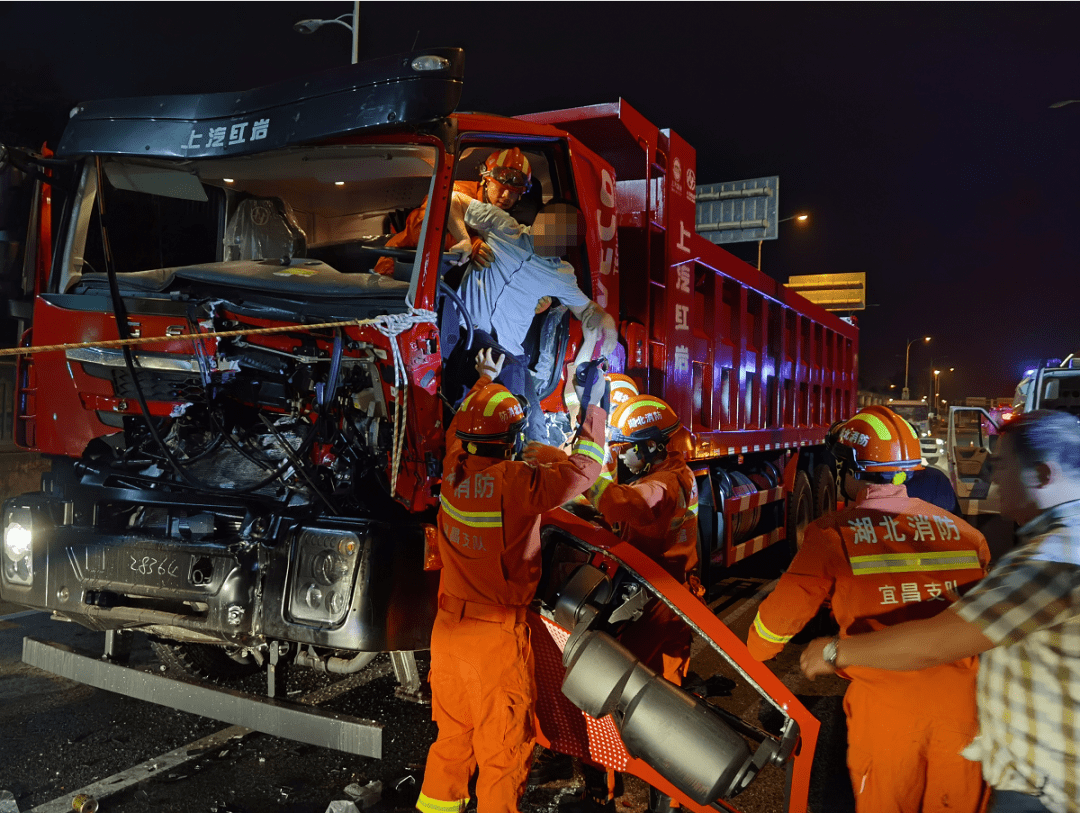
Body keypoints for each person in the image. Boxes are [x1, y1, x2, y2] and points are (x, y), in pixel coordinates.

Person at [801, 410, 1080, 813]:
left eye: (1001, 465)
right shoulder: (976, 535)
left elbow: (938, 641)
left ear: (1040, 474)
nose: (993, 477)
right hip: (976, 734)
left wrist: (833, 652)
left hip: (1045, 789)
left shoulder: (1053, 562)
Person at [747, 406, 992, 813]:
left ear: (851, 470)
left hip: (886, 715)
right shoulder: (968, 536)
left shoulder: (832, 535)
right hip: (966, 714)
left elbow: (775, 625)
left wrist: (751, 661)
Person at [416, 348, 608, 813]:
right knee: (504, 754)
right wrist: (595, 406)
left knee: (451, 741)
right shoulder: (517, 484)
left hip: (448, 634)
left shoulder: (451, 471)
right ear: (510, 443)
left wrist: (484, 380)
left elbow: (465, 430)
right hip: (494, 641)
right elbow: (585, 469)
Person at [560, 394, 701, 813]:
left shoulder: (663, 483)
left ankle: (605, 791)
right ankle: (668, 797)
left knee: (608, 687)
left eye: (629, 448)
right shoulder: (674, 474)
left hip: (655, 601)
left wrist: (574, 475)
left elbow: (628, 504)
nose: (624, 456)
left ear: (653, 446)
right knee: (668, 701)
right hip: (670, 599)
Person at [442, 190, 617, 444]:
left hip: (511, 354)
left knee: (536, 433)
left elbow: (587, 310)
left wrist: (606, 320)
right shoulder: (504, 226)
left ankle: (528, 470)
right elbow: (452, 198)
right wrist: (465, 239)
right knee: (511, 404)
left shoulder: (561, 273)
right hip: (468, 336)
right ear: (539, 219)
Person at [373, 147, 533, 276]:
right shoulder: (453, 193)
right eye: (501, 188)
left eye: (513, 192)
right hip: (400, 268)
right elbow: (420, 229)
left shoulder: (503, 221)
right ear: (485, 179)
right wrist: (470, 243)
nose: (506, 197)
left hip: (444, 278)